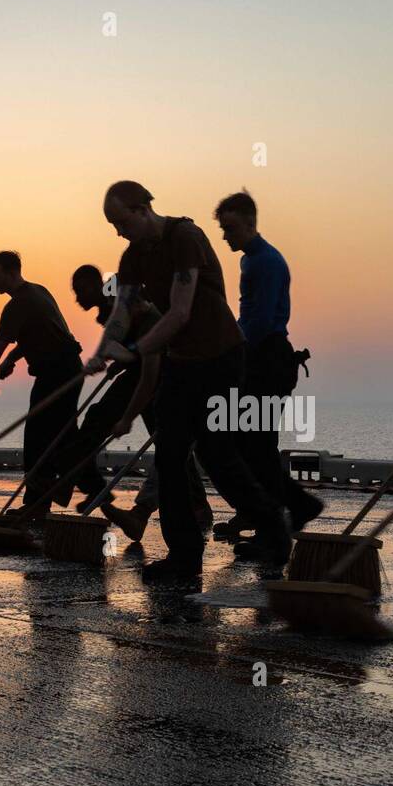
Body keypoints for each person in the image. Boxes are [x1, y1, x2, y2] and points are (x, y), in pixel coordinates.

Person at [89, 180, 291, 580]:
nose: (118, 231)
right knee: (169, 453)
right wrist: (102, 348)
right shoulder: (132, 256)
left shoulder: (185, 236)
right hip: (182, 361)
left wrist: (135, 351)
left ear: (143, 207)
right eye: (112, 224)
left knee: (217, 453)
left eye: (121, 220)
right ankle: (184, 557)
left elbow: (180, 312)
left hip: (221, 357)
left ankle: (274, 529)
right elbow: (123, 309)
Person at [66, 265, 212, 540]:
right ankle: (197, 506)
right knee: (168, 444)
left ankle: (115, 498)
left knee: (165, 443)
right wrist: (115, 362)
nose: (78, 297)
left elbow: (145, 363)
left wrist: (126, 417)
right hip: (143, 370)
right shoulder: (113, 310)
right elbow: (126, 344)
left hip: (159, 372)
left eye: (81, 289)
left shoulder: (137, 308)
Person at [213, 190, 323, 544]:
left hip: (266, 359)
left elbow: (258, 321)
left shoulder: (265, 262)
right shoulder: (252, 259)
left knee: (252, 445)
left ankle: (291, 510)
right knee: (251, 444)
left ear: (250, 222)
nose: (226, 235)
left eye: (230, 227)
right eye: (223, 229)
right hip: (260, 357)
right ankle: (269, 518)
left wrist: (233, 358)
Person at [0, 251, 83, 513]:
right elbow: (43, 331)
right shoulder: (38, 291)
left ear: (11, 272)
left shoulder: (18, 303)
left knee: (39, 437)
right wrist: (14, 356)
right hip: (66, 369)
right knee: (59, 433)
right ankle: (56, 491)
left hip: (58, 371)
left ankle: (40, 503)